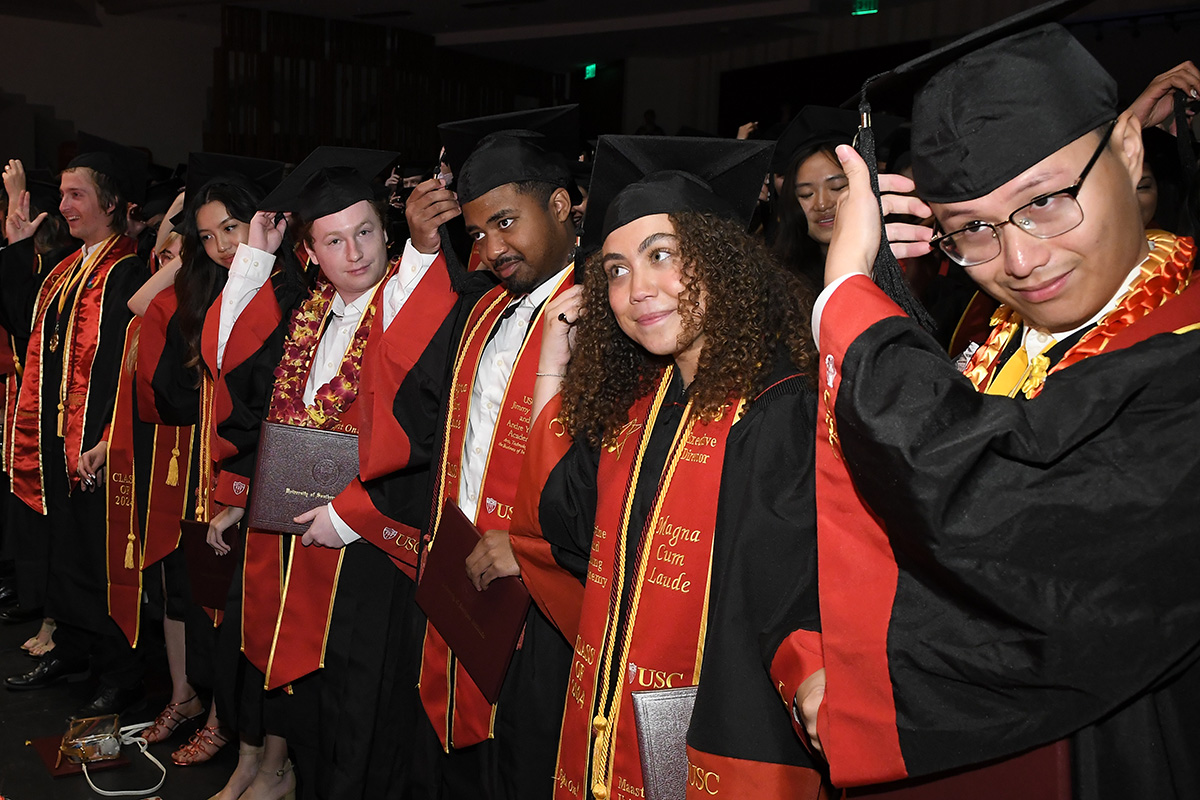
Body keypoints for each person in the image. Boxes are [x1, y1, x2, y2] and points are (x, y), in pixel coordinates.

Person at [797, 19, 1200, 799]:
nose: (1020, 260)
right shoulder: (984, 336)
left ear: (1128, 149)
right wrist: (828, 663)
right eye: (971, 229)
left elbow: (1014, 540)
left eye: (1045, 201)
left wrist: (850, 304)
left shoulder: (1183, 352)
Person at [507, 135, 829, 800]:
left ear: (721, 260)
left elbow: (798, 591)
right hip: (610, 727)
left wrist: (816, 677)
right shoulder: (637, 405)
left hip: (727, 737)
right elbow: (559, 521)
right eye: (616, 270)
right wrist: (554, 362)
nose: (637, 290)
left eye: (661, 255)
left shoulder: (779, 409)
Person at [217, 145, 461, 800]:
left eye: (364, 233)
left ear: (385, 232)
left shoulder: (408, 306)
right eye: (333, 241)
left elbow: (421, 419)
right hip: (297, 537)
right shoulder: (307, 314)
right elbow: (232, 363)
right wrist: (256, 258)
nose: (354, 254)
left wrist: (348, 517)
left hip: (369, 545)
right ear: (312, 253)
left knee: (358, 717)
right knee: (309, 714)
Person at [404, 105, 581, 800]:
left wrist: (536, 549)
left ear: (560, 206)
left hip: (546, 602)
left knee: (523, 764)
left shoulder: (603, 314)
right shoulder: (484, 309)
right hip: (466, 575)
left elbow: (615, 480)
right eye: (477, 233)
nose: (491, 248)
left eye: (506, 222)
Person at [3, 136, 150, 720]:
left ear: (110, 203)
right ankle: (70, 648)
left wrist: (108, 437)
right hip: (56, 437)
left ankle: (120, 672)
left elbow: (126, 366)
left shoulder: (128, 271)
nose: (64, 206)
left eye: (76, 195)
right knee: (65, 549)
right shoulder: (66, 269)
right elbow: (23, 326)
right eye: (62, 195)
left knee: (100, 558)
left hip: (98, 442)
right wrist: (19, 245)